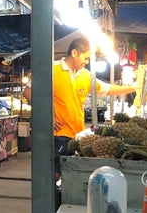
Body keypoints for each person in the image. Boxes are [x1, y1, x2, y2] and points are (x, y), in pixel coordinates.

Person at [23, 38, 135, 181]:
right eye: (86, 57)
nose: (87, 62)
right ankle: (47, 202)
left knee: (66, 174)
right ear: (75, 53)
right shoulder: (52, 69)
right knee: (54, 173)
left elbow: (108, 89)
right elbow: (28, 92)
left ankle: (56, 201)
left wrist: (134, 87)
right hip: (57, 133)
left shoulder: (85, 75)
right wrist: (47, 116)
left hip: (76, 134)